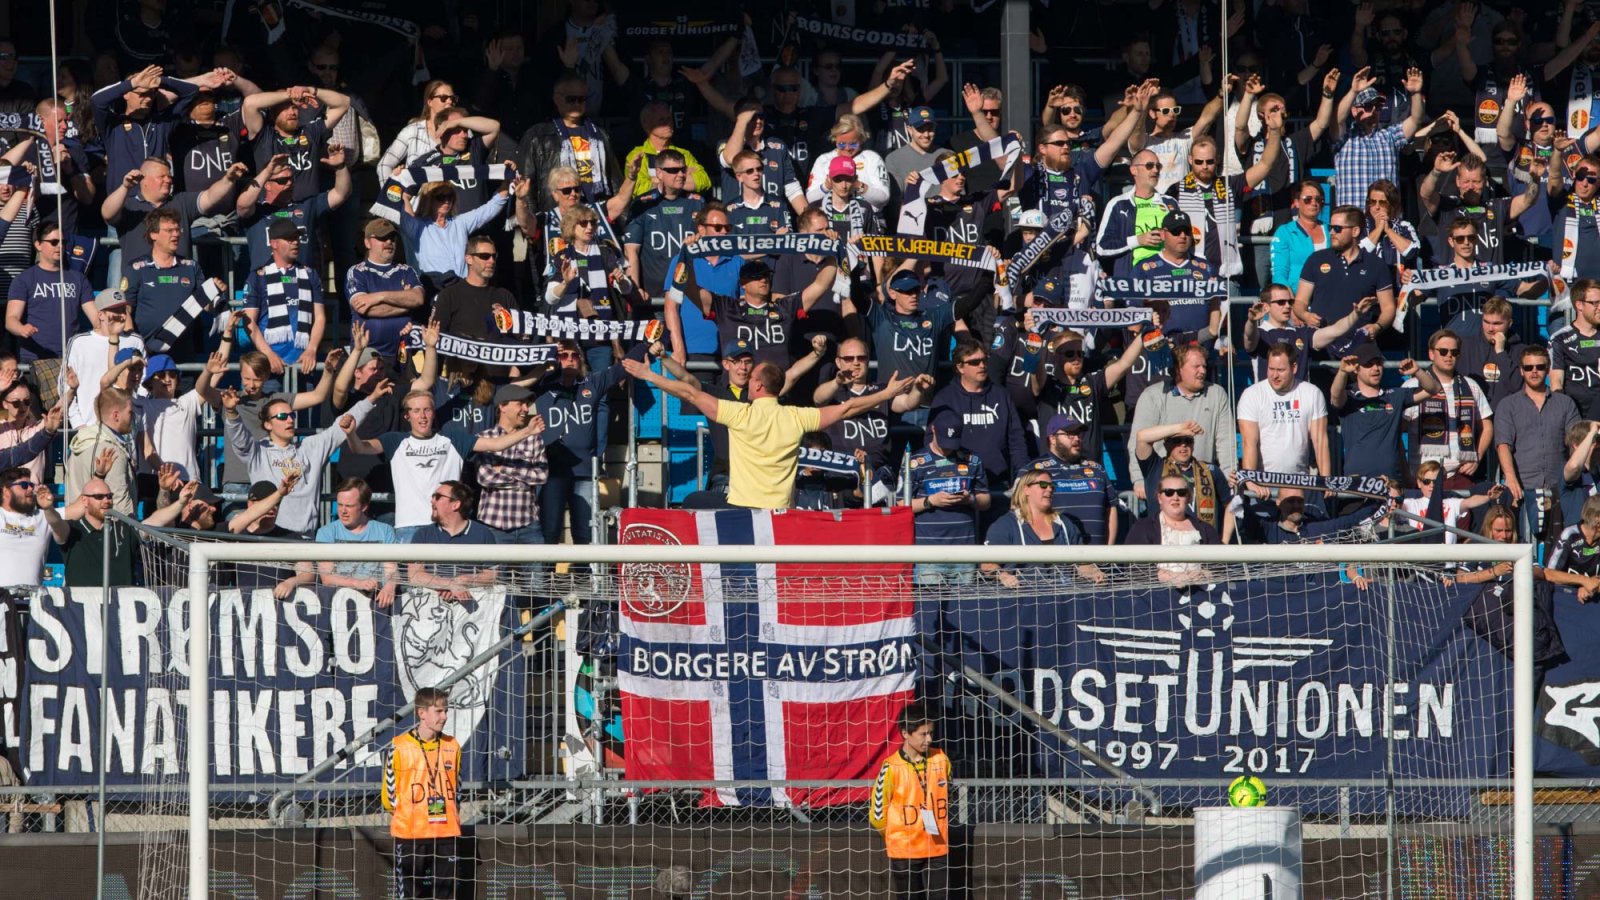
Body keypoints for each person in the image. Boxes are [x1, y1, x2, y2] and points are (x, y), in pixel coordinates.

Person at [625, 355, 913, 510]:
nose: (747, 379)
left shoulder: (739, 414)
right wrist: (885, 394)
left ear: (759, 386)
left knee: (691, 502)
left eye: (752, 377)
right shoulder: (796, 417)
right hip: (779, 512)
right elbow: (848, 408)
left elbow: (689, 393)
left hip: (741, 510)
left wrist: (649, 375)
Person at [221, 380, 392, 537]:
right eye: (282, 417)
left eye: (292, 415)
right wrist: (231, 412)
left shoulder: (310, 447)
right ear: (267, 424)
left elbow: (340, 427)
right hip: (269, 536)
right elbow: (239, 439)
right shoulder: (258, 451)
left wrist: (372, 398)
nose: (290, 420)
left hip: (305, 538)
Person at [382, 686, 462, 900]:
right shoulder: (399, 746)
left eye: (446, 711)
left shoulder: (453, 745)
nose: (445, 717)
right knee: (411, 895)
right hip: (411, 834)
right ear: (422, 713)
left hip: (446, 833)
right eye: (439, 711)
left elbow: (457, 789)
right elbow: (389, 797)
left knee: (446, 895)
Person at [6, 222, 96, 410]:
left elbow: (95, 317)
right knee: (39, 421)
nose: (60, 246)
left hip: (71, 360)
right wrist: (22, 329)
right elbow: (11, 319)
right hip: (35, 361)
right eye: (54, 242)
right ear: (38, 245)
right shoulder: (24, 279)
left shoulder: (78, 278)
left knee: (72, 418)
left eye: (63, 242)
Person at [1497, 344, 1581, 537]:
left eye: (1540, 367)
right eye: (1528, 367)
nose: (1534, 371)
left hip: (1559, 487)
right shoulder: (1508, 405)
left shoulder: (1565, 403)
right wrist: (1510, 477)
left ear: (1548, 369)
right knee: (1522, 543)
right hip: (1522, 487)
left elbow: (1576, 443)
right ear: (1521, 370)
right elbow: (1503, 445)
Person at [870, 704, 950, 900]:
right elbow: (877, 815)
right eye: (923, 734)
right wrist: (896, 834)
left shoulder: (941, 759)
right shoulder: (891, 767)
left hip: (937, 845)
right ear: (905, 733)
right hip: (905, 849)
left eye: (931, 733)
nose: (929, 739)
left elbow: (948, 794)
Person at [980, 469, 1106, 588]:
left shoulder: (1064, 523)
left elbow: (1083, 562)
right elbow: (987, 564)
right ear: (1026, 489)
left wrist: (1093, 573)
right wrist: (1003, 576)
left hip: (1063, 597)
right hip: (1022, 597)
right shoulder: (1005, 525)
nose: (1049, 489)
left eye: (1052, 486)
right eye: (1043, 485)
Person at [1404, 329, 1494, 488]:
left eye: (1454, 352)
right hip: (1424, 477)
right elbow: (1397, 429)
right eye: (1443, 351)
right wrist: (1405, 472)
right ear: (1431, 354)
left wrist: (1476, 457)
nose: (1449, 356)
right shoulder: (1412, 386)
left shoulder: (1471, 386)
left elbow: (1487, 427)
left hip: (1459, 475)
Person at [1237, 343, 1331, 486]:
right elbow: (1249, 443)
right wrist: (1250, 482)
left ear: (1294, 368)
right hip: (1264, 485)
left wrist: (1326, 482)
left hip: (1300, 484)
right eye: (1271, 369)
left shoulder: (1312, 393)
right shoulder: (1252, 395)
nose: (1274, 375)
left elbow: (1320, 442)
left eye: (1280, 370)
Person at [242, 219, 325, 378]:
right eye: (289, 239)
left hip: (305, 363)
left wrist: (311, 349)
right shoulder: (257, 277)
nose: (296, 242)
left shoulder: (310, 274)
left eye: (297, 238)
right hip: (269, 366)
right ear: (274, 243)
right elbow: (248, 321)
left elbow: (320, 317)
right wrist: (268, 354)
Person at [472, 384, 550, 545]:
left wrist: (504, 469)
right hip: (494, 524)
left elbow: (542, 475)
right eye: (520, 404)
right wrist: (523, 483)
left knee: (539, 564)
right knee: (492, 565)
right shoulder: (484, 438)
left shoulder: (533, 438)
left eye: (526, 404)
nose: (526, 409)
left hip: (529, 524)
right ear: (502, 407)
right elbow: (485, 478)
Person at [308, 477, 400, 606]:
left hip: (377, 603)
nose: (343, 511)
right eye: (340, 505)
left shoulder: (385, 531)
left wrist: (390, 587)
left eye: (349, 506)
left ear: (364, 506)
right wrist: (358, 583)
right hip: (338, 604)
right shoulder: (326, 533)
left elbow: (391, 570)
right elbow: (327, 578)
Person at [346, 218, 425, 360]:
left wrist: (378, 297)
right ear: (367, 242)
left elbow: (418, 298)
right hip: (367, 357)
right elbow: (363, 307)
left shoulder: (406, 271)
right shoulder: (357, 272)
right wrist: (406, 305)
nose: (389, 242)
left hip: (402, 355)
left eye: (392, 238)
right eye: (382, 238)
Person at [1125, 473, 1222, 584]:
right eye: (1168, 492)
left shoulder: (1206, 529)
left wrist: (1204, 574)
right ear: (1159, 498)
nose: (1175, 498)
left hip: (1199, 591)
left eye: (1181, 493)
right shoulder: (1142, 528)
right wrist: (1169, 576)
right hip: (1157, 592)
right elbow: (1133, 567)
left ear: (1188, 497)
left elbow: (1220, 567)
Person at [433, 233, 517, 342]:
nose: (491, 261)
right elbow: (435, 337)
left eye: (494, 256)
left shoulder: (505, 296)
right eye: (485, 256)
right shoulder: (449, 296)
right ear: (469, 259)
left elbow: (520, 338)